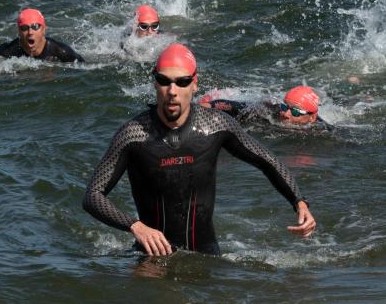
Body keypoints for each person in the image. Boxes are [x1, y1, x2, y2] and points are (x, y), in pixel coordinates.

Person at [83, 43, 316, 256]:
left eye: (182, 82)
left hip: (205, 255)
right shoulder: (133, 134)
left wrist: (299, 202)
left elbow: (266, 160)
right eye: (164, 81)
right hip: (150, 257)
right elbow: (93, 196)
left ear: (194, 84)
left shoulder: (215, 125)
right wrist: (136, 226)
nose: (172, 91)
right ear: (155, 83)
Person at [198, 86, 332, 130]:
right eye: (285, 106)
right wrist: (210, 105)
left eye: (295, 112)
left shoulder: (322, 129)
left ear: (312, 117)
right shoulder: (269, 109)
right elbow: (236, 106)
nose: (286, 114)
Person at [0, 8, 84, 63]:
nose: (30, 32)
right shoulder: (9, 49)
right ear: (19, 31)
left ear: (44, 30)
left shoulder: (61, 51)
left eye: (35, 27)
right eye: (24, 28)